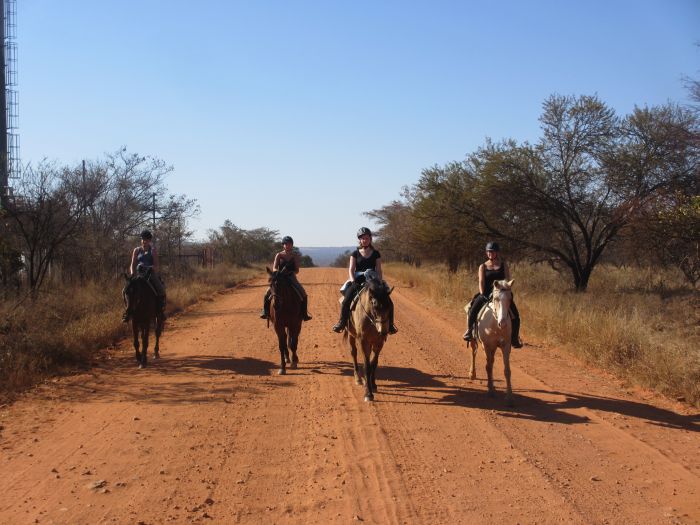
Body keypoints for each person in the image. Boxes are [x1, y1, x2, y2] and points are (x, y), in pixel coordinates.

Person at [332, 227, 398, 334]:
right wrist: (353, 281)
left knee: (389, 301)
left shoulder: (376, 253)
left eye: (366, 238)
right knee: (346, 301)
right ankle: (342, 322)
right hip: (358, 280)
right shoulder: (355, 253)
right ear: (360, 240)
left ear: (370, 239)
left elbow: (379, 269)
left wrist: (380, 282)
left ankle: (390, 325)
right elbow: (351, 269)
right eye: (362, 238)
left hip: (373, 281)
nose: (364, 240)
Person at [463, 241, 522, 348]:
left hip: (501, 294)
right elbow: (481, 281)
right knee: (473, 310)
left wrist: (507, 292)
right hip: (486, 293)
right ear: (486, 253)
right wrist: (482, 294)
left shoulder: (503, 265)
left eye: (492, 251)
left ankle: (514, 338)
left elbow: (507, 280)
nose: (490, 253)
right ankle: (469, 331)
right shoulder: (483, 266)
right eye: (488, 251)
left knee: (516, 316)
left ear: (497, 252)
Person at [260, 236, 312, 321]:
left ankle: (304, 314)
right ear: (283, 245)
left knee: (303, 293)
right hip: (279, 277)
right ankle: (265, 312)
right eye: (286, 244)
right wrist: (279, 272)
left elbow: (297, 270)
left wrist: (290, 272)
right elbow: (274, 268)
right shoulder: (279, 255)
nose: (288, 246)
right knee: (267, 293)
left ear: (292, 245)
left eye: (290, 244)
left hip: (291, 277)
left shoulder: (295, 255)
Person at [122, 229, 167, 322]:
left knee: (161, 290)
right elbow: (132, 264)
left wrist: (148, 268)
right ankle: (128, 312)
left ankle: (160, 312)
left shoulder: (153, 250)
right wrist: (132, 273)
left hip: (150, 274)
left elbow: (156, 265)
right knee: (125, 290)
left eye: (146, 239)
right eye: (142, 239)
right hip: (138, 274)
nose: (144, 241)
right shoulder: (136, 250)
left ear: (149, 240)